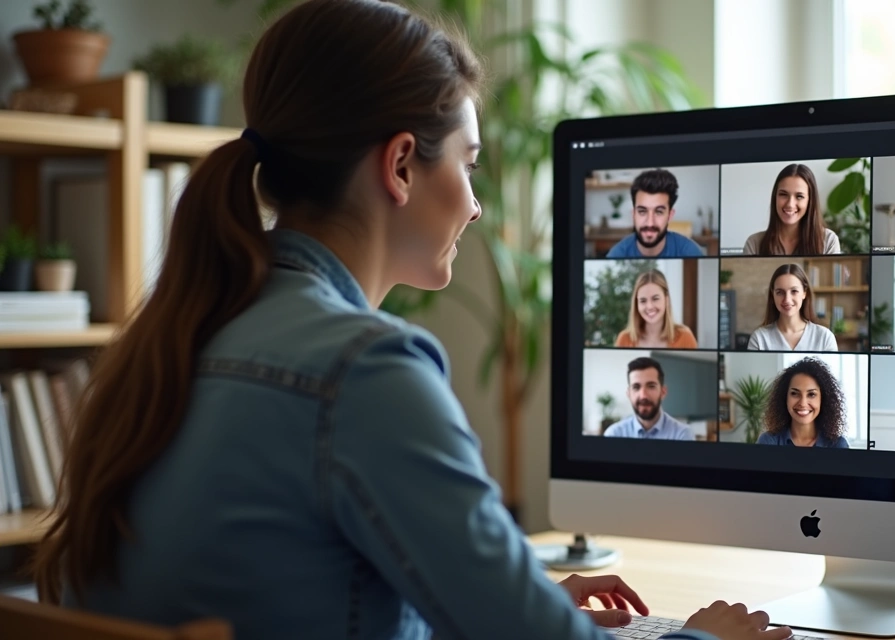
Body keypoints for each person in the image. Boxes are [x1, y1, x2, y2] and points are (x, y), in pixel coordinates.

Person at [30, 3, 787, 640]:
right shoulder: (364, 368)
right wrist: (702, 638)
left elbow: (304, 592)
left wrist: (513, 598)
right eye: (469, 162)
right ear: (399, 166)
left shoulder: (177, 335)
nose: (476, 202)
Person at [742, 163, 841, 255]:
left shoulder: (828, 241)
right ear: (775, 197)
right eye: (783, 194)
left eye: (799, 196)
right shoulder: (754, 244)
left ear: (810, 201)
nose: (790, 204)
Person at [606, 169, 706, 258]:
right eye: (642, 211)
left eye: (659, 212)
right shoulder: (616, 254)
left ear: (670, 215)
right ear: (633, 214)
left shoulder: (691, 252)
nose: (650, 223)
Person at [755, 357, 850, 448]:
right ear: (785, 397)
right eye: (794, 393)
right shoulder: (768, 442)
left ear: (823, 399)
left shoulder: (838, 445)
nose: (803, 403)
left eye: (811, 394)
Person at [747, 264, 838, 352]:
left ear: (804, 293)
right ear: (773, 295)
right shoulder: (759, 338)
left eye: (794, 291)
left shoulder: (825, 337)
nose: (787, 300)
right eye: (780, 292)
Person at [603, 357, 696, 440]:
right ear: (629, 394)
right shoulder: (613, 434)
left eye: (651, 386)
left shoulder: (682, 434)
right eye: (636, 387)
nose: (643, 396)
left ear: (663, 392)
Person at [615, 270, 698, 348]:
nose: (649, 306)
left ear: (666, 300)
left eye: (655, 299)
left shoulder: (685, 337)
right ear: (636, 304)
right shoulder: (624, 339)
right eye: (643, 301)